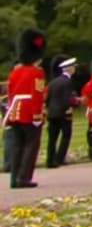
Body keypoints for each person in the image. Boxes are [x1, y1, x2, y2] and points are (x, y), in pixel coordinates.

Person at [6, 28, 48, 189]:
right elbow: (37, 94)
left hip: (16, 110)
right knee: (31, 145)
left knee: (17, 145)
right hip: (29, 112)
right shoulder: (37, 72)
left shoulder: (15, 72)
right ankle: (24, 177)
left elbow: (10, 93)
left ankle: (15, 178)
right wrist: (37, 114)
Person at [45, 55, 79, 168]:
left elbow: (47, 98)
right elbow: (67, 99)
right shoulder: (67, 82)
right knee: (66, 136)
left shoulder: (53, 82)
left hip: (52, 113)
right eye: (73, 67)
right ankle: (59, 158)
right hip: (63, 113)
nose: (74, 69)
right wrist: (73, 105)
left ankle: (50, 160)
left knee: (52, 138)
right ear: (69, 68)